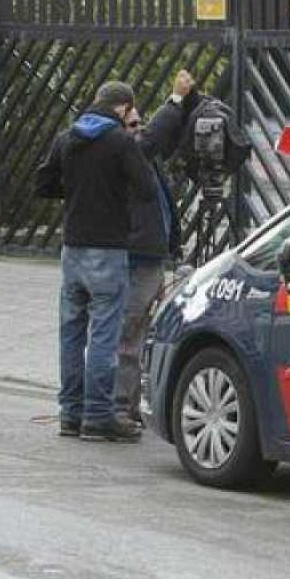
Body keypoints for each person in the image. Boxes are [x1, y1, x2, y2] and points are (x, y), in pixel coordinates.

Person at [33, 81, 155, 443]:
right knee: (103, 335)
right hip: (108, 248)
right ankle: (98, 416)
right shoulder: (119, 141)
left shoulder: (67, 137)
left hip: (72, 248)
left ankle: (70, 413)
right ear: (124, 108)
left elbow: (42, 184)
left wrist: (74, 192)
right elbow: (146, 188)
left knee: (71, 333)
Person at [112, 70, 199, 435]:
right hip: (134, 259)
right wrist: (175, 99)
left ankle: (129, 406)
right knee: (128, 335)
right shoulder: (123, 151)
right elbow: (148, 141)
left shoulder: (143, 159)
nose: (137, 129)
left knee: (139, 333)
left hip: (149, 257)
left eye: (139, 123)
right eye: (130, 123)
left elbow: (159, 142)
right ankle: (118, 407)